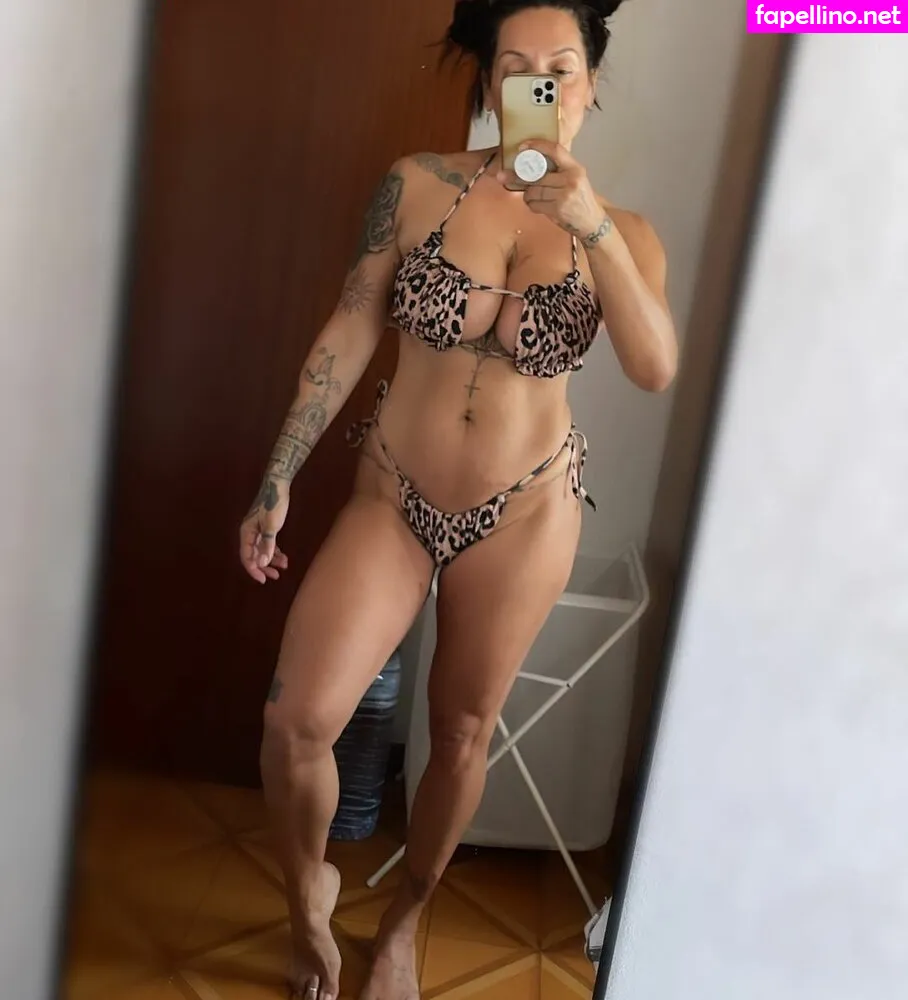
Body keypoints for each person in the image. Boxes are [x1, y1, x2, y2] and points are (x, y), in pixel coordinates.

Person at [238, 1, 676, 997]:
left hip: (523, 512)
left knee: (463, 732)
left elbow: (654, 366)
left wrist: (589, 225)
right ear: (488, 83)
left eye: (560, 66)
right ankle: (308, 896)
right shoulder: (418, 183)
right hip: (392, 492)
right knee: (295, 721)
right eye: (514, 66)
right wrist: (279, 472)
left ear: (590, 85)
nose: (539, 84)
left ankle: (402, 924)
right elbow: (351, 323)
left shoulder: (629, 234)